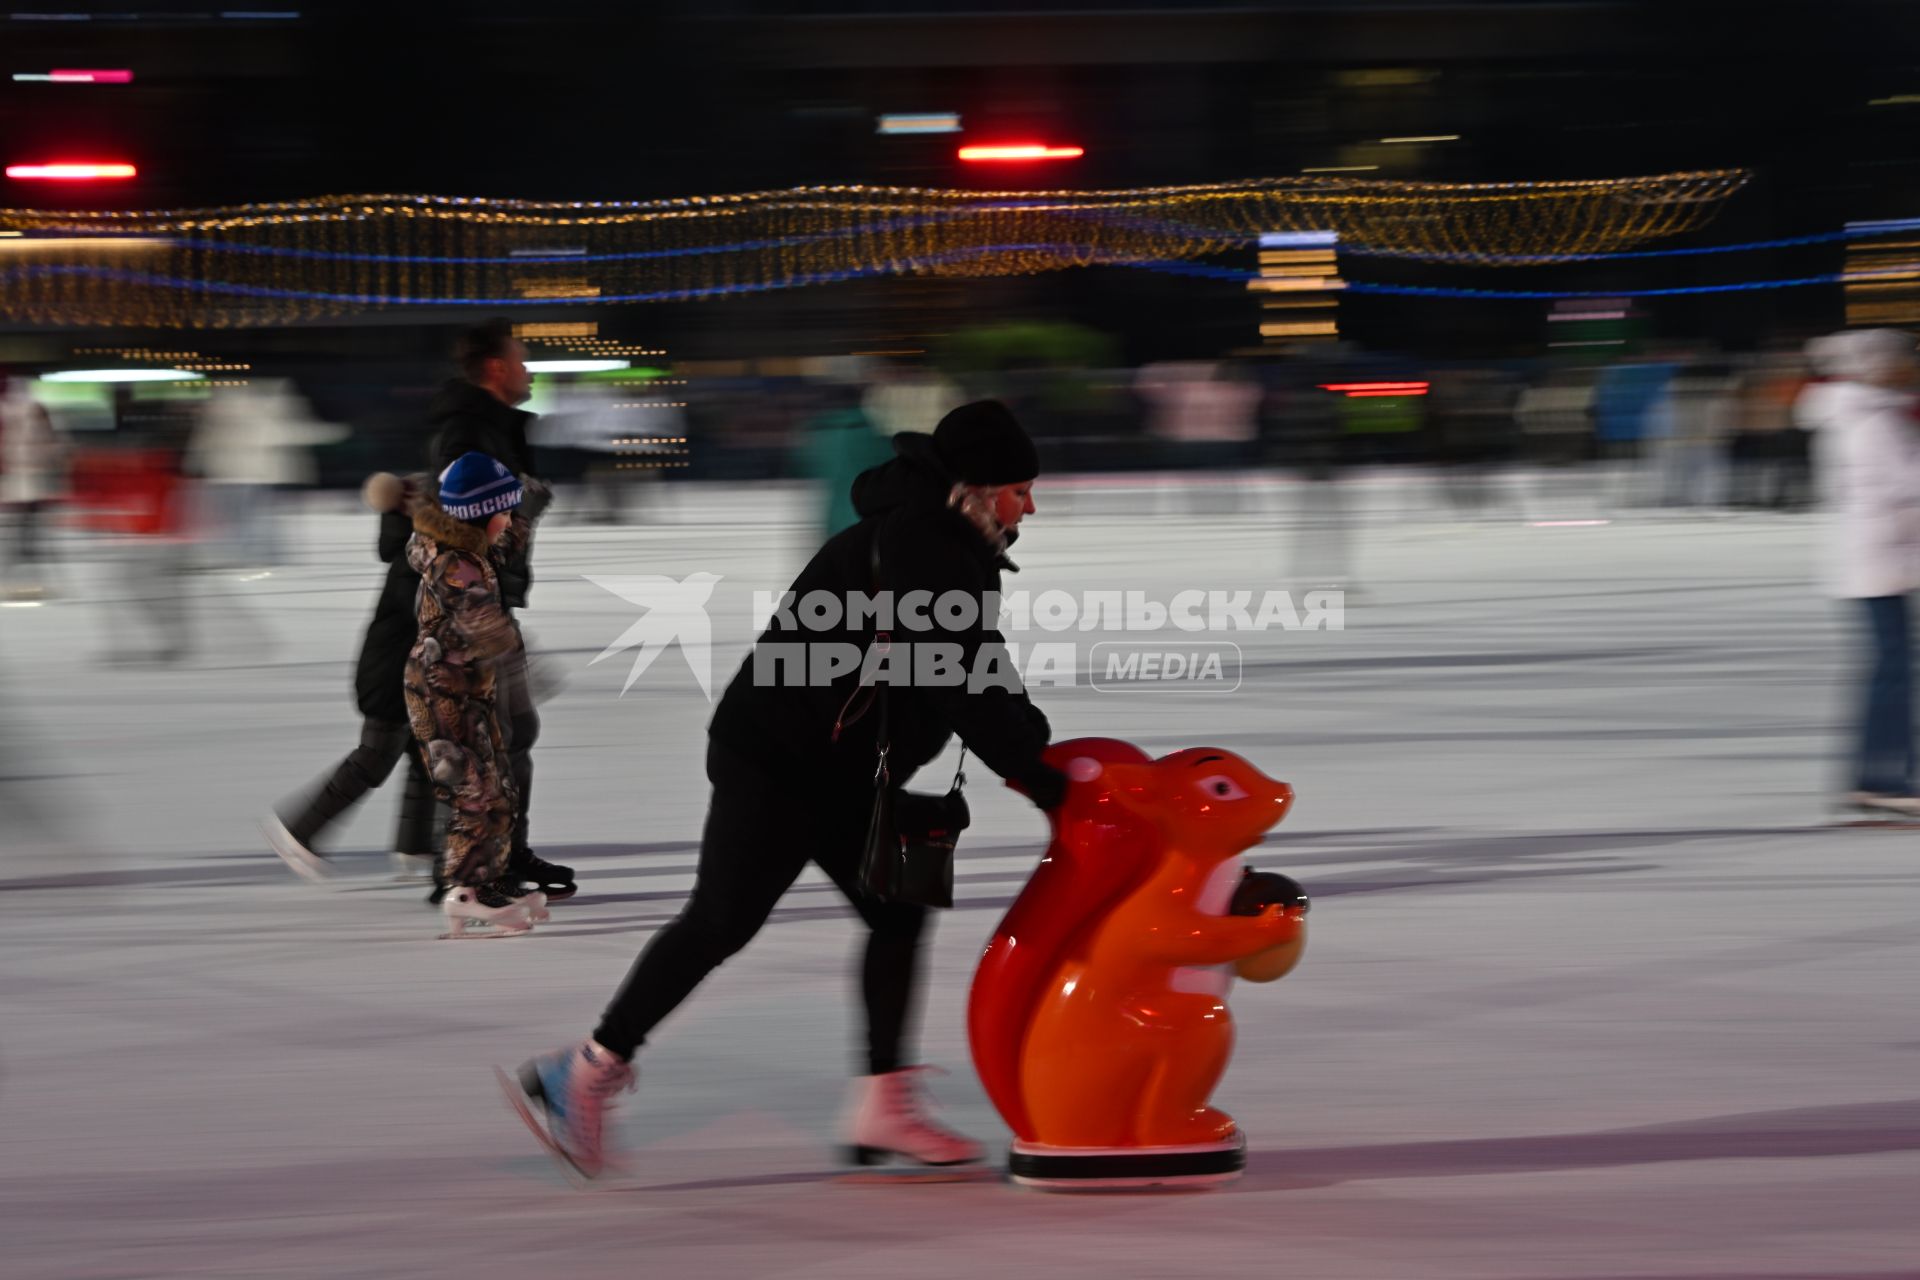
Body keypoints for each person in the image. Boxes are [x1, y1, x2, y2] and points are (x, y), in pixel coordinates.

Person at [502, 400, 1068, 1178]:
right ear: (973, 488)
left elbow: (969, 662)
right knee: (721, 922)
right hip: (780, 760)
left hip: (834, 763)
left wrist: (1029, 751)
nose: (1030, 505)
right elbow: (960, 673)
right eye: (1019, 490)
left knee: (896, 910)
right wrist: (1041, 773)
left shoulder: (941, 538)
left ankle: (882, 1101)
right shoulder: (924, 544)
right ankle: (587, 1069)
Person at [427, 320, 574, 900]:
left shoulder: (491, 428)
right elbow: (456, 529)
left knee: (513, 733)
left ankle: (503, 853)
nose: (529, 369)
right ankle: (468, 870)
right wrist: (525, 508)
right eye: (522, 358)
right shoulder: (467, 433)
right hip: (470, 611)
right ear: (495, 368)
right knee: (483, 743)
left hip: (491, 602)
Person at [262, 472, 441, 884]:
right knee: (374, 759)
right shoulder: (415, 562)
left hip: (409, 674)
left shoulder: (418, 552)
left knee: (427, 756)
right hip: (391, 677)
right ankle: (299, 831)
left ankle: (414, 845)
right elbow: (439, 616)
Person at [406, 452, 550, 936]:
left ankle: (486, 881)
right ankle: (463, 888)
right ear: (481, 514)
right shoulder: (454, 566)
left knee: (498, 789)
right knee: (475, 792)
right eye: (503, 512)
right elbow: (486, 624)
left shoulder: (465, 547)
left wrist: (525, 513)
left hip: (471, 689)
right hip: (442, 695)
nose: (507, 521)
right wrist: (532, 666)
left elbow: (499, 545)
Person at [1801, 330, 1920, 817]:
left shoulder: (1863, 412)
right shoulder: (1870, 419)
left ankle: (1878, 776)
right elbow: (1903, 485)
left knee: (1891, 668)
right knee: (1892, 670)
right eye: (1898, 359)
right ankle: (1883, 779)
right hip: (1880, 556)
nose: (1906, 365)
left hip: (1876, 556)